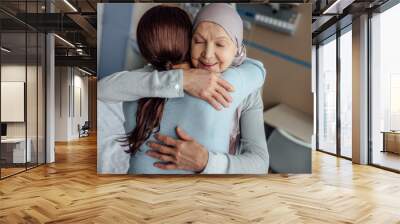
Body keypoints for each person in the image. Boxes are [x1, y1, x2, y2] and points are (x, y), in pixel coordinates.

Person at [98, 3, 269, 174]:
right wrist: (182, 80)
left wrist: (206, 162)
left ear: (238, 49)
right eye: (199, 41)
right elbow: (103, 89)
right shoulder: (160, 75)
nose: (208, 54)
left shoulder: (247, 90)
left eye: (220, 44)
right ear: (189, 41)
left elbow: (260, 163)